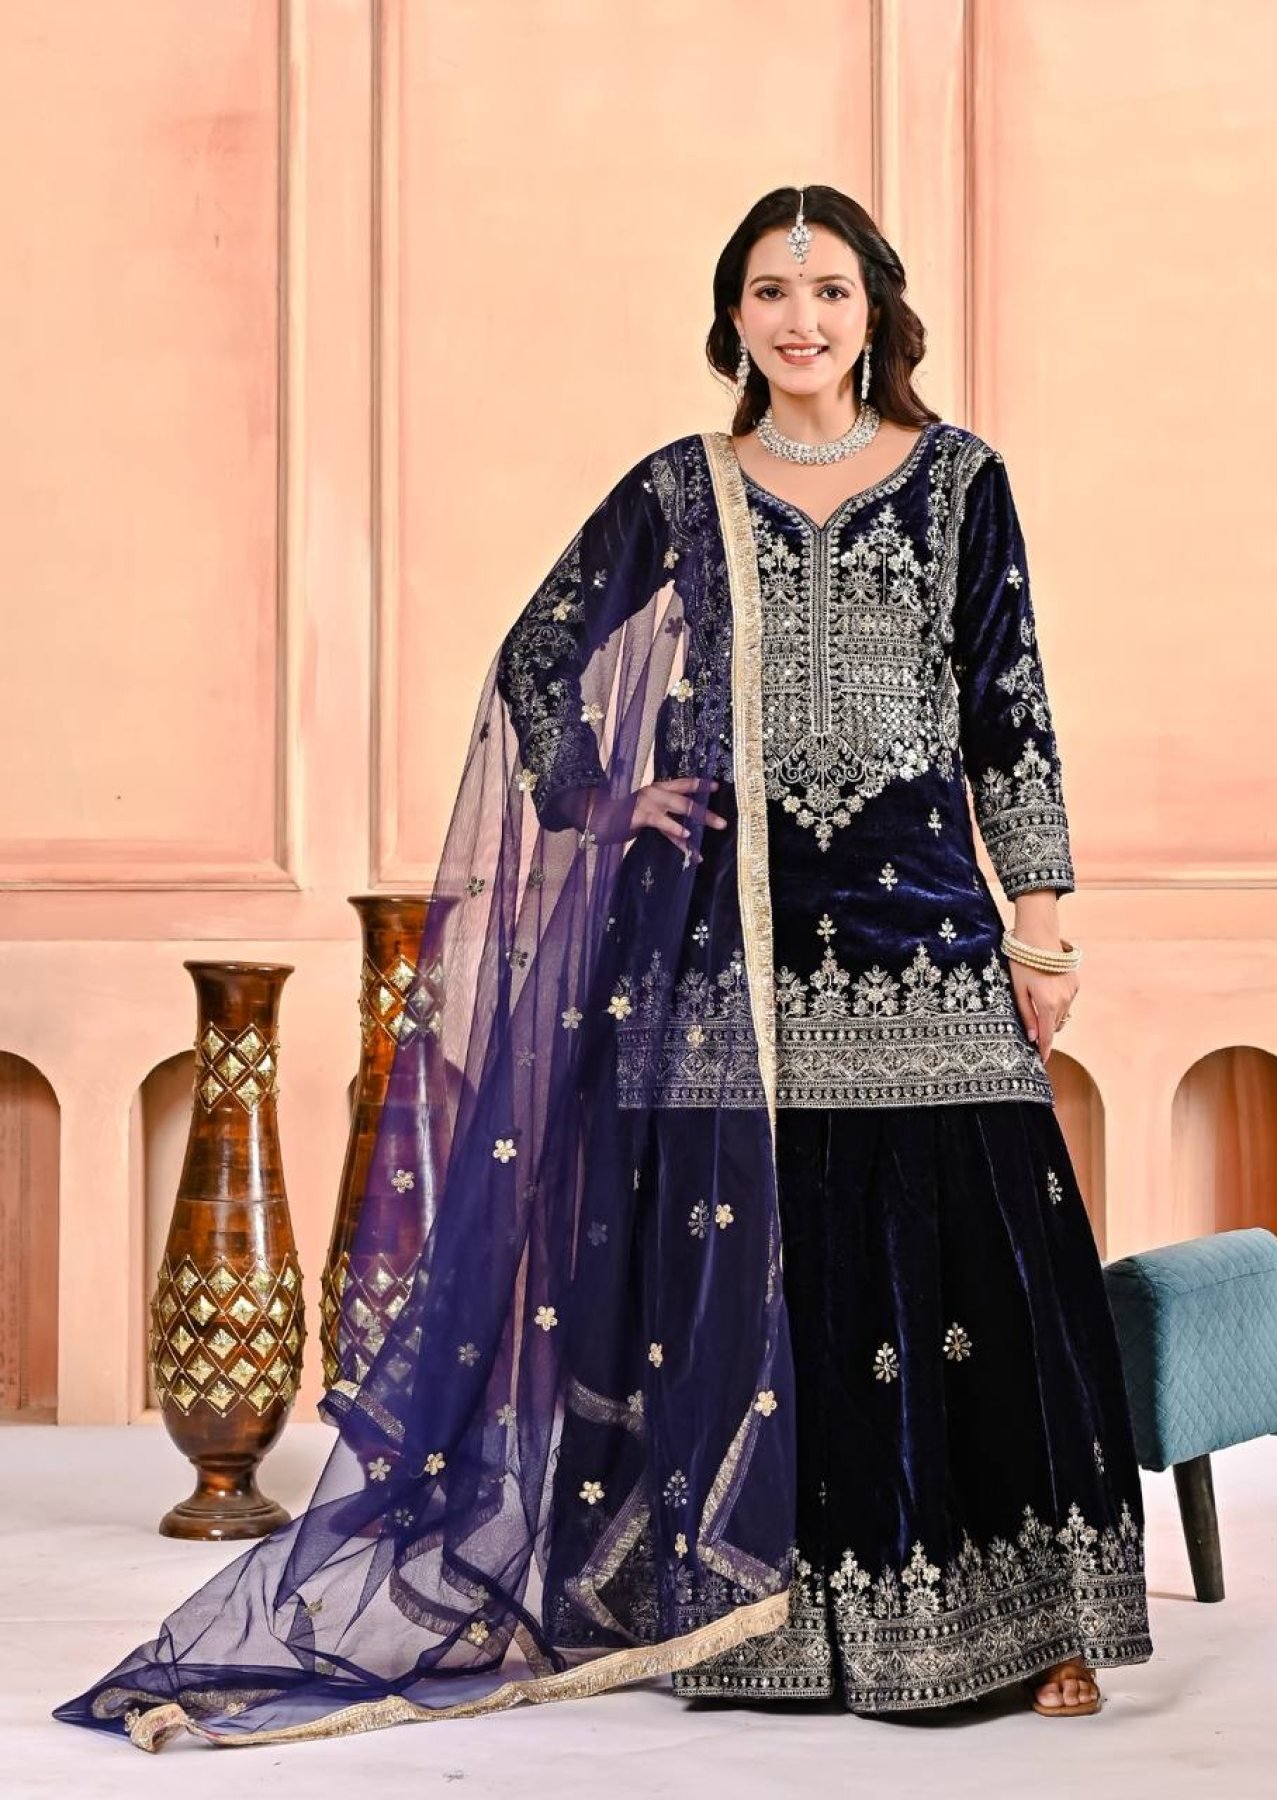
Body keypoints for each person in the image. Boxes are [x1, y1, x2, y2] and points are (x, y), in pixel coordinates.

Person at [56, 185, 1150, 1754]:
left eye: (826, 291)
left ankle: (1025, 1622)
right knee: (743, 1265)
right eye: (768, 292)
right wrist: (601, 797)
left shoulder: (961, 482)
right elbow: (538, 657)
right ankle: (745, 1612)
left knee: (971, 1258)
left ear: (874, 313)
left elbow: (1009, 711)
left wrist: (1038, 925)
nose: (798, 320)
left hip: (921, 929)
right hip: (717, 938)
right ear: (731, 319)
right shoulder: (679, 488)